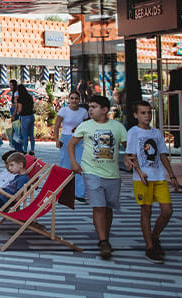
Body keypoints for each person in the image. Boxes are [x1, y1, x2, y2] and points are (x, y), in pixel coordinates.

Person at [69, 95, 127, 260]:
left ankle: (105, 236)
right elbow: (71, 144)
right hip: (91, 172)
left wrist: (129, 158)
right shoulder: (85, 126)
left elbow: (128, 146)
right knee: (99, 206)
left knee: (108, 208)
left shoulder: (118, 127)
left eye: (94, 107)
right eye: (89, 107)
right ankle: (103, 241)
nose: (90, 110)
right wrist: (74, 162)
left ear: (105, 110)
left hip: (112, 174)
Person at [125, 100, 179, 263]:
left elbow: (162, 155)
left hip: (159, 177)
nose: (147, 116)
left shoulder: (156, 133)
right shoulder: (133, 132)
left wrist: (172, 176)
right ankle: (149, 246)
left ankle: (155, 236)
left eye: (149, 112)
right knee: (146, 211)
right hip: (143, 179)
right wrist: (139, 172)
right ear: (136, 115)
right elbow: (131, 156)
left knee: (167, 210)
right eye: (143, 113)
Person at [54, 92, 89, 202]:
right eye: (72, 98)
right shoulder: (63, 110)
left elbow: (87, 125)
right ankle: (64, 192)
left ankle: (79, 193)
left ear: (79, 100)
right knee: (65, 166)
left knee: (80, 165)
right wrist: (57, 140)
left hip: (79, 140)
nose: (74, 100)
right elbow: (56, 126)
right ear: (69, 99)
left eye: (76, 98)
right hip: (66, 139)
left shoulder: (83, 112)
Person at [15, 85, 37, 155]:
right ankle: (32, 150)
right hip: (31, 116)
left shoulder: (20, 98)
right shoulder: (30, 97)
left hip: (24, 117)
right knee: (31, 135)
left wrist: (17, 113)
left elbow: (20, 109)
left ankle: (25, 149)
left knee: (25, 135)